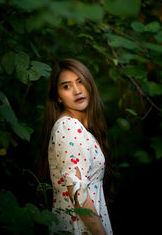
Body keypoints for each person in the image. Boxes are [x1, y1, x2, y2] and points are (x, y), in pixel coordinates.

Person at [39, 58, 113, 235]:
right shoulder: (69, 127)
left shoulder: (79, 129)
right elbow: (79, 195)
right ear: (57, 96)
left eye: (80, 82)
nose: (77, 91)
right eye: (66, 86)